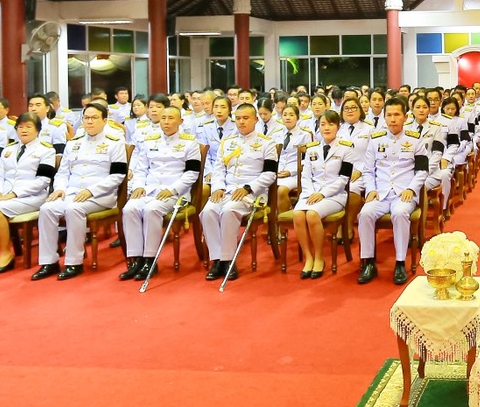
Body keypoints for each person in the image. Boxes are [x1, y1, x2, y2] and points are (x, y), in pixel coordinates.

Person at [32, 102, 127, 281]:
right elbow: (62, 172)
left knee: (73, 209)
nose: (89, 122)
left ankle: (73, 262)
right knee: (46, 209)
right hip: (72, 192)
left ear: (104, 120)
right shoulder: (74, 143)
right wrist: (59, 189)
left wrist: (91, 191)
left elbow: (117, 176)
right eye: (86, 118)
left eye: (94, 118)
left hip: (101, 195)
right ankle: (49, 262)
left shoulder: (115, 143)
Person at [118, 105, 202, 283]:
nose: (166, 122)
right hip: (149, 190)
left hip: (175, 193)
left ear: (180, 121)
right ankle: (135, 259)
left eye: (171, 118)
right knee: (130, 208)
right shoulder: (150, 141)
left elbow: (192, 174)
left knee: (152, 210)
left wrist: (172, 189)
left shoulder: (190, 143)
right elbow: (141, 168)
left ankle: (150, 259)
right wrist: (139, 185)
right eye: (163, 118)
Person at [199, 102, 277, 284]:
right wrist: (217, 187)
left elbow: (270, 173)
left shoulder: (267, 143)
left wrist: (248, 188)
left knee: (228, 211)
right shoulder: (227, 143)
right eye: (238, 119)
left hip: (251, 193)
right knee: (208, 211)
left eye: (246, 118)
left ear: (256, 120)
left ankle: (228, 261)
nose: (241, 122)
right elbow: (219, 170)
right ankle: (216, 260)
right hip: (227, 190)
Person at [357, 96, 429, 286]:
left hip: (403, 193)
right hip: (380, 192)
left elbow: (422, 170)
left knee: (399, 213)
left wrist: (412, 189)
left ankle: (399, 263)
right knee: (365, 213)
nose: (393, 119)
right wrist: (370, 190)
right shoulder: (375, 140)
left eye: (397, 114)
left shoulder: (415, 139)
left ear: (405, 117)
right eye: (389, 115)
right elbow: (367, 170)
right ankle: (369, 262)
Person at [0, 113, 55, 275]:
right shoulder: (8, 150)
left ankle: (6, 253)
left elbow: (43, 181)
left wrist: (14, 194)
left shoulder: (46, 150)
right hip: (4, 195)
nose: (24, 130)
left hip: (33, 196)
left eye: (29, 127)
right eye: (20, 127)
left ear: (38, 130)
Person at [292, 110, 355, 279]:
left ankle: (319, 258)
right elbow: (305, 175)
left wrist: (322, 194)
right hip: (310, 193)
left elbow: (343, 179)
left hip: (334, 195)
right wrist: (311, 193)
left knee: (312, 215)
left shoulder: (346, 148)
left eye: (331, 124)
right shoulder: (312, 149)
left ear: (338, 127)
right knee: (298, 215)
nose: (326, 128)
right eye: (322, 124)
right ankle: (309, 257)